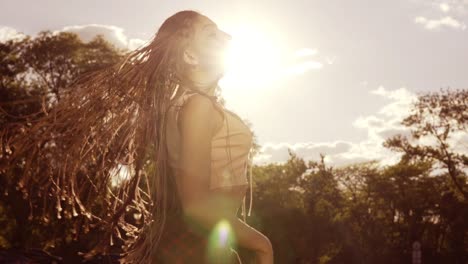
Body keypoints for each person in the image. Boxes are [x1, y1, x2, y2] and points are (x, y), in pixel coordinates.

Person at [0, 10, 273, 264]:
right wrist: (261, 243)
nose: (228, 38)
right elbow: (196, 206)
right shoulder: (196, 107)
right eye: (212, 34)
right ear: (190, 56)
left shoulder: (188, 104)